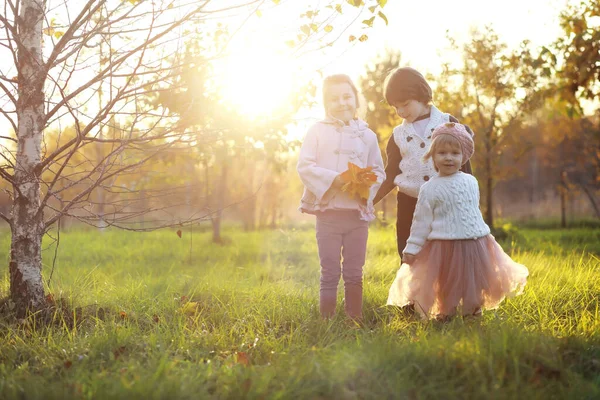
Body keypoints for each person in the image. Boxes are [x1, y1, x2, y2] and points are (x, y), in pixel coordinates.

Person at [386, 122, 528, 319]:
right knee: (446, 284)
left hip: (475, 243)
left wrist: (482, 235)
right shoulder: (429, 188)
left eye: (455, 153)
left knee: (474, 282)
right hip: (444, 246)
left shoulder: (471, 181)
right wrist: (411, 248)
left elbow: (472, 210)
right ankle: (445, 315)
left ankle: (472, 314)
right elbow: (421, 223)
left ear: (463, 157)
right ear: (432, 156)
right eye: (442, 153)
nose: (448, 158)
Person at [297, 74, 385, 320]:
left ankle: (353, 318)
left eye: (347, 96)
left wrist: (364, 185)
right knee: (330, 270)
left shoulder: (367, 136)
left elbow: (378, 170)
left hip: (357, 215)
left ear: (356, 100)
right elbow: (305, 166)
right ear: (326, 104)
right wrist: (334, 179)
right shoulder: (316, 131)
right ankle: (326, 320)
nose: (342, 102)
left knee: (355, 271)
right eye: (334, 99)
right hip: (328, 213)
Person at [373, 67, 473, 261]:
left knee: (447, 257)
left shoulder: (448, 123)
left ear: (420, 94)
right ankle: (413, 292)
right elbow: (391, 173)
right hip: (410, 206)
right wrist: (368, 201)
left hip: (446, 204)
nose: (400, 112)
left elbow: (465, 165)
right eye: (395, 107)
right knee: (410, 257)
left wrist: (469, 203)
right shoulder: (398, 136)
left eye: (405, 104)